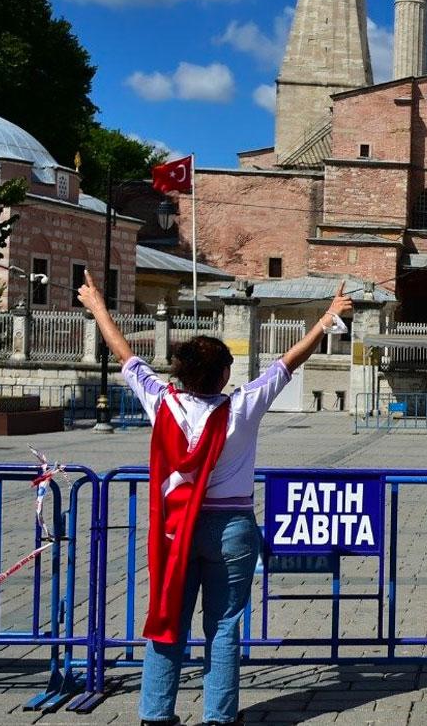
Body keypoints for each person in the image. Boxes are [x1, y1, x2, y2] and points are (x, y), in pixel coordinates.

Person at [77, 271, 352, 726]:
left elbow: (124, 354)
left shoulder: (161, 402)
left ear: (181, 373)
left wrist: (99, 308)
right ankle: (218, 717)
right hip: (232, 528)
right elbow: (288, 363)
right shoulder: (243, 407)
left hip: (175, 530)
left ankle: (155, 714)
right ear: (225, 374)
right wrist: (326, 318)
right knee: (223, 628)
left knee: (168, 620)